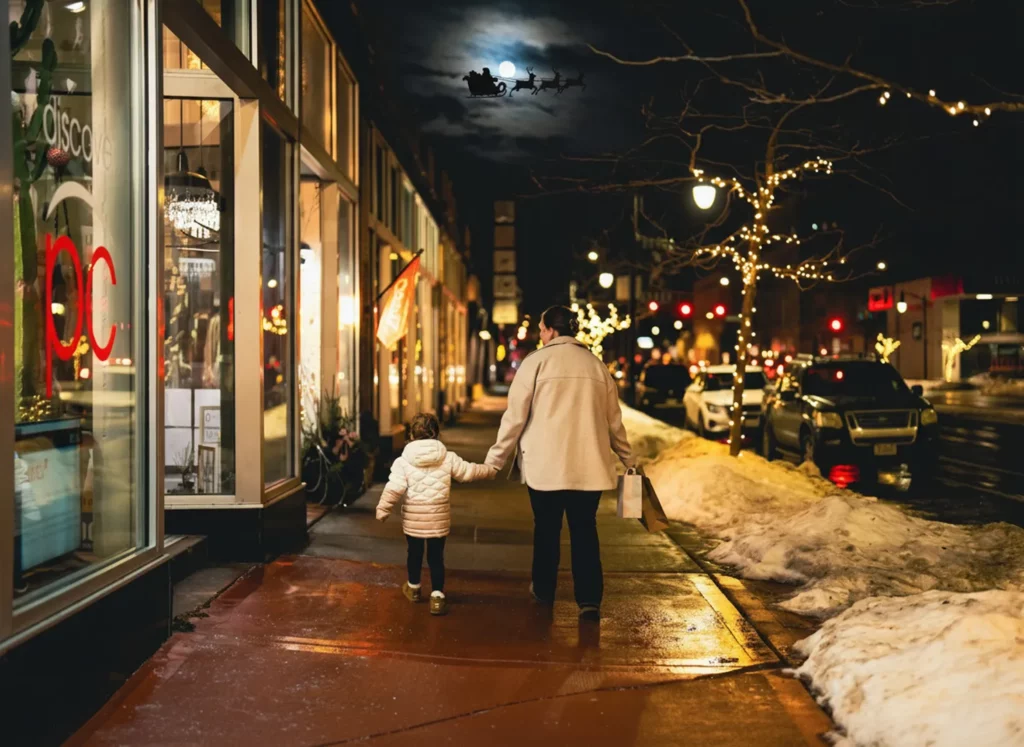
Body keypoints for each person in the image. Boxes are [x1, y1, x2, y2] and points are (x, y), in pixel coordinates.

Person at [485, 305, 635, 622]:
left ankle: (544, 590)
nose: (540, 335)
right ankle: (589, 599)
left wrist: (495, 459)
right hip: (589, 467)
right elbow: (614, 423)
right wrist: (629, 459)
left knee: (547, 530)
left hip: (544, 467)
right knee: (584, 530)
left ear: (551, 330)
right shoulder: (597, 366)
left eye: (541, 330)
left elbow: (514, 418)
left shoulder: (535, 363)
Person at [376, 412, 495, 616]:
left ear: (411, 435)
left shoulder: (403, 461)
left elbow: (394, 487)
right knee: (436, 557)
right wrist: (489, 470)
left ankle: (414, 588)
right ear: (437, 433)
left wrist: (383, 509)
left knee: (414, 553)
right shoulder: (447, 457)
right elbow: (468, 472)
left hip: (414, 519)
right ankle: (437, 596)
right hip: (438, 519)